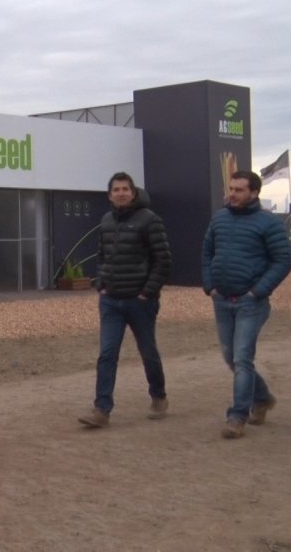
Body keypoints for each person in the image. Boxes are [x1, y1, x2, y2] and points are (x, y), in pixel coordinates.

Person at [202, 170, 291, 439]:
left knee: (242, 358)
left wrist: (258, 291)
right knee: (231, 358)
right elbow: (207, 252)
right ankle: (262, 398)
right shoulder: (219, 218)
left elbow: (283, 261)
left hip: (250, 303)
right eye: (231, 188)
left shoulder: (269, 223)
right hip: (221, 300)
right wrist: (210, 285)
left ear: (254, 193)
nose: (232, 194)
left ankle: (237, 416)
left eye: (239, 190)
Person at [79, 172, 172, 428]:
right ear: (109, 195)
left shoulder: (149, 220)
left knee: (147, 351)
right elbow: (102, 255)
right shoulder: (106, 220)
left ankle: (159, 396)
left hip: (140, 302)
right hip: (111, 301)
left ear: (133, 192)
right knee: (107, 354)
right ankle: (101, 409)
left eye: (125, 189)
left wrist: (147, 292)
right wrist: (101, 283)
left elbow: (163, 260)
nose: (121, 193)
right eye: (116, 189)